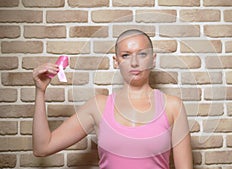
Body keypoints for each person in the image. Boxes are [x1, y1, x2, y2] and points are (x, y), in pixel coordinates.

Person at [32, 29, 193, 169]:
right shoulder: (98, 106)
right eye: (126, 55)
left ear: (153, 59)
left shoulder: (172, 106)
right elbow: (42, 147)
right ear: (116, 61)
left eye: (142, 54)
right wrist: (40, 91)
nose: (135, 62)